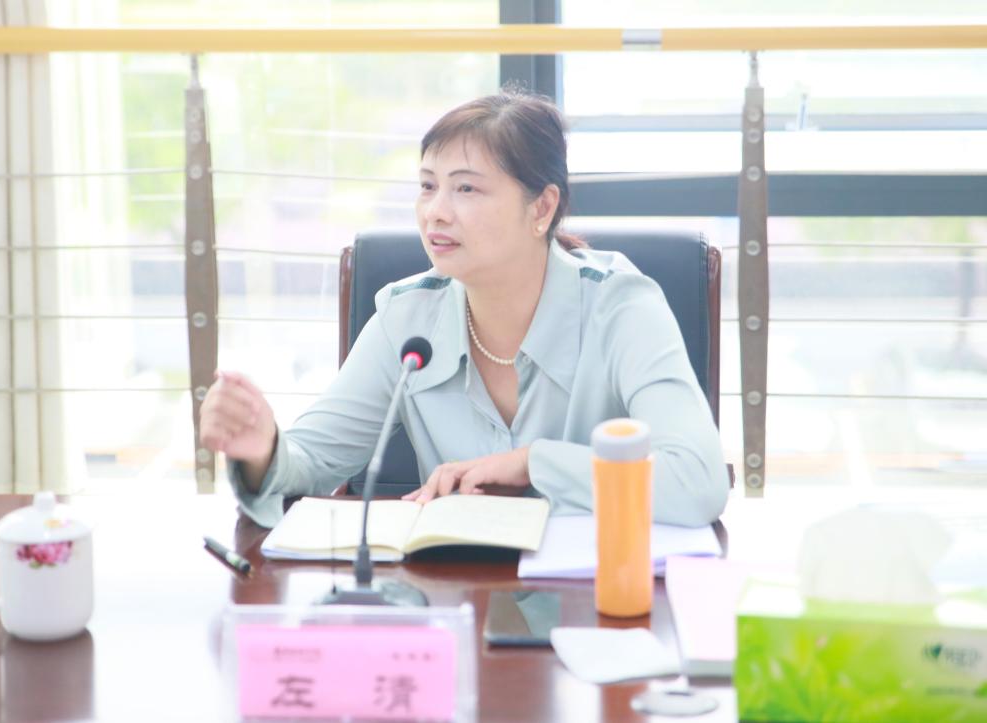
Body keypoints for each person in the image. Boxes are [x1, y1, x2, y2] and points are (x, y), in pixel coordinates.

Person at [200, 90, 729, 529]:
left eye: (466, 188)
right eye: (428, 186)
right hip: (456, 599)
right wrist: (262, 449)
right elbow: (311, 462)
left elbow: (697, 480)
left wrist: (534, 465)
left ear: (542, 208)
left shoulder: (621, 308)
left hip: (596, 598)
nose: (436, 212)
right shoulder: (406, 319)